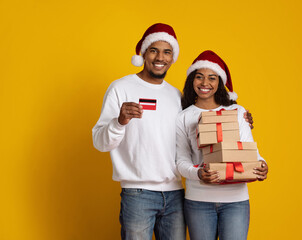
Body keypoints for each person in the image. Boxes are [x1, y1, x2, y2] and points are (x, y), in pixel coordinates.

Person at [92, 23, 254, 239]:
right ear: (143, 54)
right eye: (154, 50)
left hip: (176, 194)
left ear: (172, 58)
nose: (160, 57)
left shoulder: (177, 97)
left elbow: (202, 123)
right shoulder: (120, 88)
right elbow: (100, 142)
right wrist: (119, 121)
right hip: (137, 193)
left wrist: (240, 118)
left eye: (167, 52)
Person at [176, 50, 268, 240]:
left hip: (235, 201)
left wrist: (261, 165)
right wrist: (198, 173)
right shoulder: (184, 117)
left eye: (212, 78)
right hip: (199, 200)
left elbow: (250, 150)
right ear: (192, 80)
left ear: (219, 83)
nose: (205, 83)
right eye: (199, 77)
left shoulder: (237, 111)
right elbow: (181, 161)